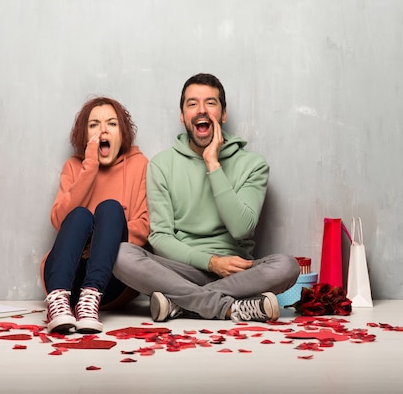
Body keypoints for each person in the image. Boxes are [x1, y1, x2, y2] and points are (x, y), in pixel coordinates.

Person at [113, 73, 300, 324]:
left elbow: (242, 228)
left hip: (237, 273)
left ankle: (182, 305)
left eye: (210, 103)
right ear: (182, 116)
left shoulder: (253, 165)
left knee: (287, 266)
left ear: (223, 114)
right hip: (181, 271)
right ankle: (229, 308)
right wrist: (211, 263)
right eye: (192, 104)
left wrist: (213, 164)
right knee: (119, 254)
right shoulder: (162, 165)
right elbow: (159, 237)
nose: (201, 110)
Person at [40, 97, 149, 334]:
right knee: (79, 215)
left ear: (122, 132)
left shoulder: (140, 165)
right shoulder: (74, 167)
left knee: (110, 208)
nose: (102, 130)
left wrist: (102, 242)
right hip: (67, 276)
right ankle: (57, 303)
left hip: (111, 279)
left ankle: (90, 301)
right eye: (94, 125)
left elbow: (142, 228)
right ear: (84, 134)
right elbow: (60, 220)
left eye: (111, 123)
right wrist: (89, 167)